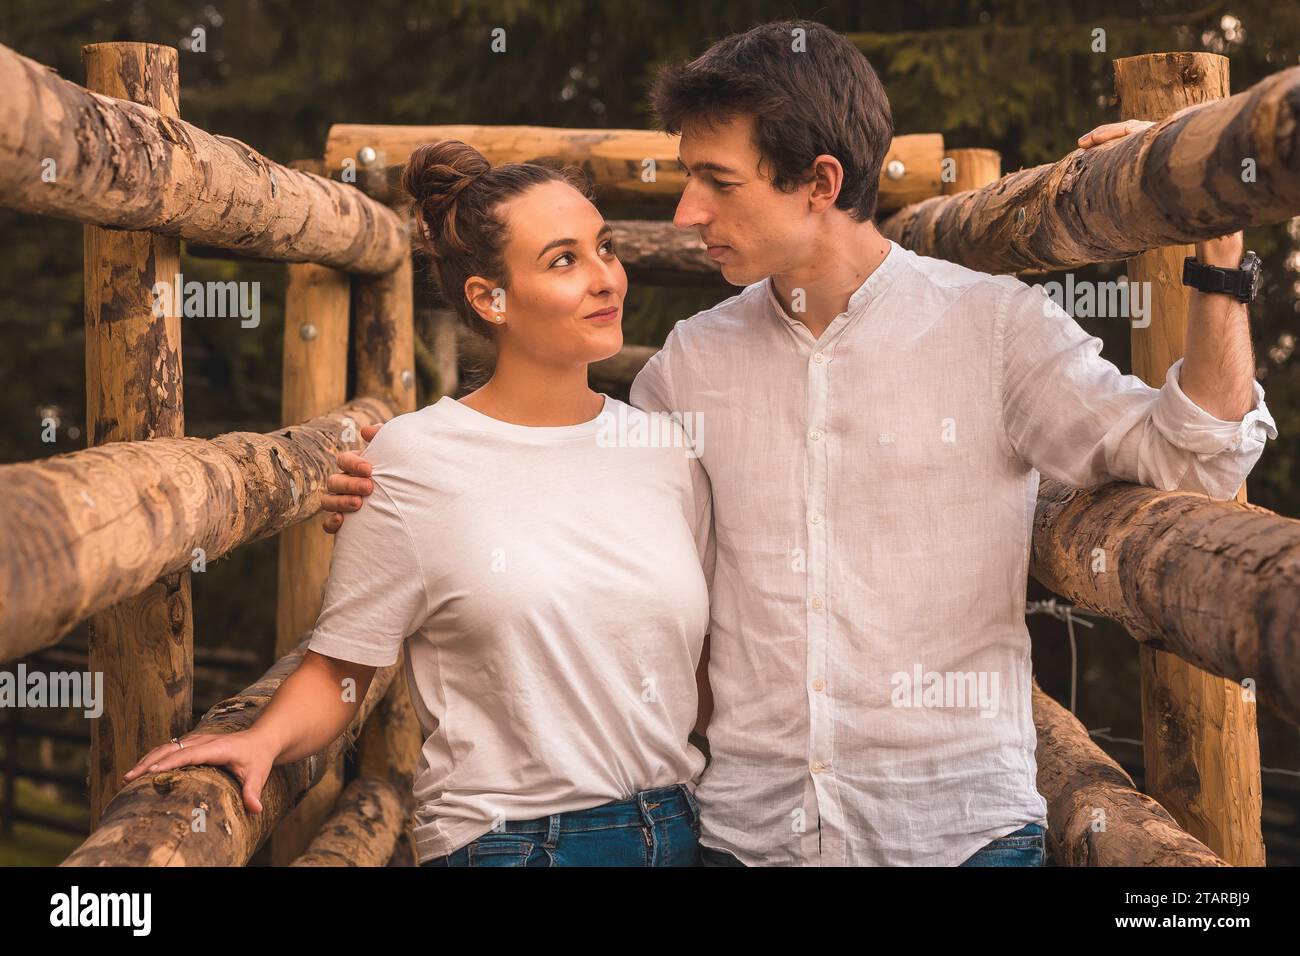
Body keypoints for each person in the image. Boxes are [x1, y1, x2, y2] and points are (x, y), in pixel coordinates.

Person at [322, 21, 1278, 867]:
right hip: (749, 837)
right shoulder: (691, 364)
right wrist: (402, 476)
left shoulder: (995, 331)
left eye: (717, 182)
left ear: (820, 182)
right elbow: (576, 484)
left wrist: (1218, 250)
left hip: (956, 832)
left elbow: (1194, 456)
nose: (688, 211)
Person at [125, 140, 715, 867]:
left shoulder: (665, 451)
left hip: (682, 829)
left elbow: (705, 666)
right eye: (564, 260)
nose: (606, 279)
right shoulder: (415, 459)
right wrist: (263, 738)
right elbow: (345, 666)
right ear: (487, 299)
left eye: (606, 247)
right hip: (521, 843)